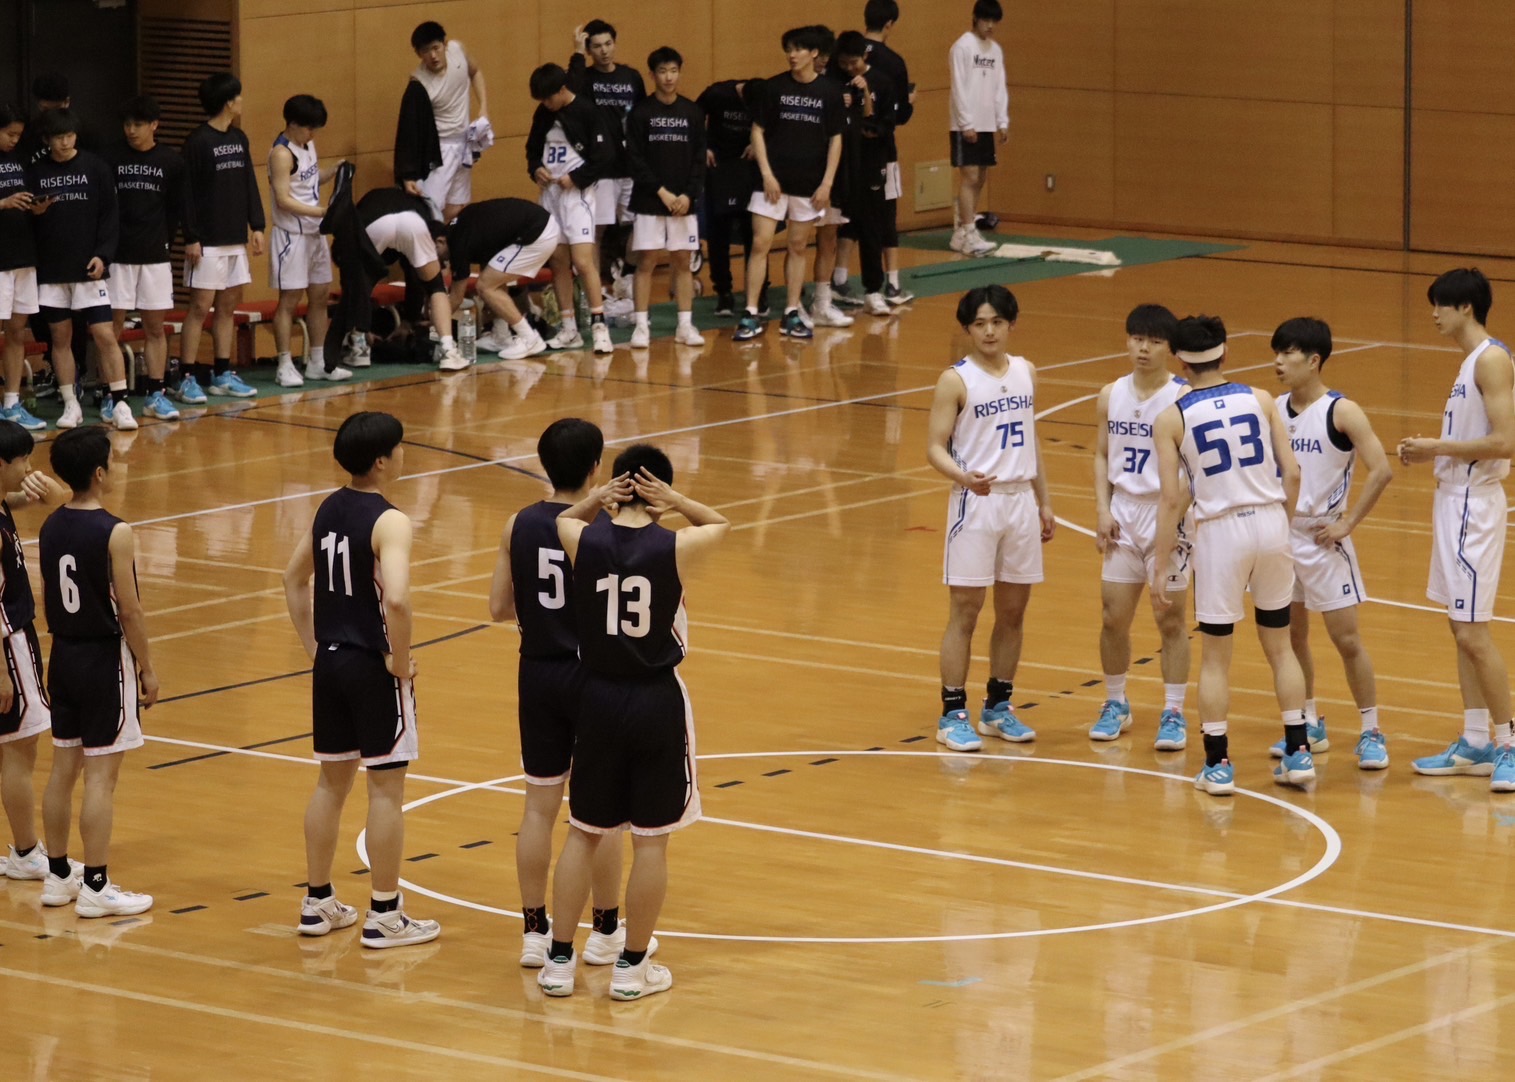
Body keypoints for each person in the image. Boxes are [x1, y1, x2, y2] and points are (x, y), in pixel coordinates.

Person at [538, 443, 728, 1002]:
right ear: (657, 491)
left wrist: (597, 497)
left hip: (596, 697)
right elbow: (720, 523)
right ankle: (631, 966)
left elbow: (565, 516)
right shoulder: (675, 545)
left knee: (583, 832)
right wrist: (676, 501)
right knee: (650, 842)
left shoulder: (581, 538)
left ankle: (558, 960)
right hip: (653, 700)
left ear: (617, 488)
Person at [282, 411, 441, 948]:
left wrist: (314, 648)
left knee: (330, 784)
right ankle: (386, 914)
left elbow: (292, 578)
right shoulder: (390, 520)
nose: (403, 454)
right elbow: (396, 598)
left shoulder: (328, 507)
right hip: (372, 664)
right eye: (399, 447)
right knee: (386, 789)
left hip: (331, 661)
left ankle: (317, 902)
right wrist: (400, 659)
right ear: (382, 461)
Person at [488, 419, 636, 969]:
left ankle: (534, 932)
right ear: (597, 468)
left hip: (537, 673)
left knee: (538, 807)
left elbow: (498, 607)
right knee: (602, 813)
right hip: (592, 677)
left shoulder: (517, 523)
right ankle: (605, 931)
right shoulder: (607, 526)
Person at [1151, 315, 1310, 795]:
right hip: (1271, 522)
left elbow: (1171, 499)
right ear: (1225, 353)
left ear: (1180, 362)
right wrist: (1280, 522)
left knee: (1216, 657)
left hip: (1221, 532)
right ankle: (1299, 752)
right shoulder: (1261, 399)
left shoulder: (1171, 417)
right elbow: (1293, 473)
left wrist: (1160, 566)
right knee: (1280, 646)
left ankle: (1218, 764)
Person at [1398, 269, 1515, 790]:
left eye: (1441, 305)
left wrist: (1436, 448)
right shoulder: (1470, 361)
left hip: (1473, 507)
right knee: (1459, 627)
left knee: (1473, 631)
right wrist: (1434, 453)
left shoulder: (1490, 359)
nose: (1434, 314)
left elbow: (1506, 441)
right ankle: (1475, 740)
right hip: (1452, 502)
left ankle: (1509, 742)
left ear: (1465, 307)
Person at [926, 285, 1055, 753]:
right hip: (976, 502)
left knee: (1013, 612)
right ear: (968, 329)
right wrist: (963, 477)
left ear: (1010, 324)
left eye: (996, 322)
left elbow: (1030, 440)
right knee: (966, 610)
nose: (989, 331)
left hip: (1020, 502)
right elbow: (934, 447)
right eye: (979, 323)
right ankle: (952, 713)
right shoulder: (955, 380)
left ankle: (998, 707)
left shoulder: (1026, 372)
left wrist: (1044, 500)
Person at [39, 425, 158, 916]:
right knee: (101, 779)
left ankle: (57, 876)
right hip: (104, 659)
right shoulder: (115, 531)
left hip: (63, 654)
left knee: (62, 769)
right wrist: (147, 667)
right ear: (99, 472)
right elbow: (129, 610)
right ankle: (96, 886)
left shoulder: (51, 524)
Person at [1271, 317, 1394, 770]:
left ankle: (1371, 730)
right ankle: (1308, 723)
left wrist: (1348, 523)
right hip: (1282, 537)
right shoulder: (1272, 408)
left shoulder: (1342, 411)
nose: (1278, 361)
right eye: (1276, 352)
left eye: (1287, 353)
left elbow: (1381, 469)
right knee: (1292, 637)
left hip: (1324, 540)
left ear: (1314, 360)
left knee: (1347, 640)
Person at [1091, 304, 1191, 748]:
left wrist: (1175, 516)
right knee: (1113, 617)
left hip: (1168, 515)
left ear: (1170, 348)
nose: (1143, 348)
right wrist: (1102, 508)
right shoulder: (1110, 393)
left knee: (1170, 619)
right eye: (1137, 339)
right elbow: (1100, 454)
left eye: (1154, 340)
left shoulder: (1184, 398)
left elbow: (1195, 470)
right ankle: (1116, 702)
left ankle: (1174, 711)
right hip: (1124, 514)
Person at [27, 108, 138, 431]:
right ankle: (70, 404)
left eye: (69, 136)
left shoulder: (96, 167)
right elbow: (25, 221)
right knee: (60, 337)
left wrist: (103, 255)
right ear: (46, 140)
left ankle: (120, 403)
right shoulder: (35, 172)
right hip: (51, 270)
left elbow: (110, 216)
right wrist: (35, 213)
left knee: (104, 334)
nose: (65, 142)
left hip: (89, 269)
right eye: (58, 137)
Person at [732, 26, 845, 343]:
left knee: (797, 246)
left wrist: (827, 183)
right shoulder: (773, 87)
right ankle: (751, 312)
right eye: (789, 49)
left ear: (814, 53)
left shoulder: (829, 93)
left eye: (798, 49)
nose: (792, 55)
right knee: (760, 243)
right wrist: (767, 174)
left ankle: (792, 311)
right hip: (771, 184)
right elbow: (757, 132)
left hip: (809, 185)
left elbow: (836, 140)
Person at [0, 421, 69, 881]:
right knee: (19, 749)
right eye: (22, 459)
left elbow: (55, 499)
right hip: (8, 644)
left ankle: (23, 849)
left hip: (12, 640)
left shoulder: (3, 501)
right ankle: (26, 851)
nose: (28, 467)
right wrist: (1, 671)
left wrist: (50, 488)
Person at [178, 72, 265, 404]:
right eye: (237, 96)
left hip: (234, 238)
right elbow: (187, 193)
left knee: (228, 306)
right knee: (200, 307)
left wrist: (257, 226)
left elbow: (248, 182)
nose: (241, 101)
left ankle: (222, 372)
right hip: (207, 241)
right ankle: (186, 376)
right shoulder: (198, 141)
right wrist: (192, 236)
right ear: (228, 102)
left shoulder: (239, 138)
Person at [526, 63, 615, 355]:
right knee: (558, 261)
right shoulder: (543, 113)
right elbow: (532, 149)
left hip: (577, 195)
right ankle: (568, 328)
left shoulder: (588, 112)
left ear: (562, 90)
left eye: (549, 98)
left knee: (583, 261)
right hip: (550, 194)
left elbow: (604, 156)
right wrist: (536, 169)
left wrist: (576, 178)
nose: (546, 104)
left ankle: (599, 326)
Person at [108, 95, 185, 423]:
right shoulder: (111, 158)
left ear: (155, 125)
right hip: (117, 257)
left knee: (155, 328)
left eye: (138, 124)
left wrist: (165, 241)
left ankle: (156, 393)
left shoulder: (171, 161)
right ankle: (112, 396)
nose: (131, 130)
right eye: (127, 124)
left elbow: (176, 209)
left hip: (154, 256)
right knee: (110, 329)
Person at [625, 47, 706, 350]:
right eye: (662, 71)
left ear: (679, 72)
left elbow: (699, 158)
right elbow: (635, 159)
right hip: (650, 200)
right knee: (646, 261)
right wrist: (661, 191)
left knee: (683, 261)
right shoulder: (641, 113)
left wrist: (687, 194)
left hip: (683, 203)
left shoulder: (692, 112)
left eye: (673, 71)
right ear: (652, 75)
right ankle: (641, 326)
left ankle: (684, 325)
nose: (669, 77)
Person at [268, 94, 347, 388]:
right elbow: (283, 199)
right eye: (309, 128)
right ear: (292, 124)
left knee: (320, 296)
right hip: (292, 236)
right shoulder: (281, 154)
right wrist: (322, 212)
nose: (313, 134)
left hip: (315, 233)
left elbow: (309, 180)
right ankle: (284, 364)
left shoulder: (307, 145)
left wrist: (334, 171)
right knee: (289, 301)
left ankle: (317, 361)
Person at [356, 186, 467, 371]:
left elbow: (357, 286)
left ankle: (358, 346)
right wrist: (410, 319)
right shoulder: (426, 212)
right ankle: (448, 351)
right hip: (413, 221)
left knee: (361, 284)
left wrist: (406, 321)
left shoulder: (371, 202)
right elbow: (416, 277)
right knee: (436, 287)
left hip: (373, 224)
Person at [568, 20, 646, 280]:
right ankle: (593, 290)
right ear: (590, 50)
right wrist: (577, 53)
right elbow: (569, 92)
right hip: (601, 170)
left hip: (631, 167)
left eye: (608, 44)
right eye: (597, 46)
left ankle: (628, 279)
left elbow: (642, 116)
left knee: (641, 226)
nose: (604, 51)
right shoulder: (585, 79)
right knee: (596, 230)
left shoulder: (631, 77)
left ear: (615, 43)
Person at [443, 197, 557, 360]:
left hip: (537, 232)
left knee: (485, 286)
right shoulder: (460, 229)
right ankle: (501, 336)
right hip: (538, 223)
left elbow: (456, 298)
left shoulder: (457, 243)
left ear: (440, 241)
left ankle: (530, 339)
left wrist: (435, 329)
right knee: (493, 278)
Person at [832, 31, 896, 317]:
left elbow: (883, 125)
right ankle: (830, 287)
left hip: (870, 162)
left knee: (871, 227)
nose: (849, 68)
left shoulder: (881, 81)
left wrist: (866, 95)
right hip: (839, 163)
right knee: (838, 226)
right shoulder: (833, 81)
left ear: (865, 56)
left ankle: (873, 290)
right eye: (843, 63)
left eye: (854, 63)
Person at [401, 22, 488, 224]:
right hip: (439, 150)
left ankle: (443, 240)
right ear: (418, 54)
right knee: (430, 209)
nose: (433, 56)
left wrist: (483, 107)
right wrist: (409, 173)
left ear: (445, 44)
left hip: (464, 143)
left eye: (436, 48)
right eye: (426, 51)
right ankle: (430, 242)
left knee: (458, 206)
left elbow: (475, 72)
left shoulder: (458, 50)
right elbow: (409, 130)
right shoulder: (419, 84)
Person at [696, 77, 765, 317]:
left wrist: (758, 144)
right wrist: (703, 146)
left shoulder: (765, 96)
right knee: (719, 233)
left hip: (749, 168)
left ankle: (758, 292)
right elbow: (693, 118)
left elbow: (775, 126)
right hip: (719, 167)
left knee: (754, 233)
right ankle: (724, 292)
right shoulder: (717, 93)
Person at [949, 0, 1008, 258]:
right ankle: (969, 230)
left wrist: (1002, 121)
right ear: (975, 18)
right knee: (970, 176)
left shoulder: (995, 50)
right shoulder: (962, 47)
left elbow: (999, 87)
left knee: (980, 177)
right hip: (966, 124)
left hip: (986, 123)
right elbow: (958, 87)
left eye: (994, 21)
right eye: (986, 20)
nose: (990, 26)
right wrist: (966, 123)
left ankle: (963, 231)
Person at [0, 104, 45, 431]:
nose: (14, 139)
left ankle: (12, 403)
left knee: (17, 331)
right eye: (9, 133)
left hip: (24, 256)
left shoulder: (22, 159)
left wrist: (37, 208)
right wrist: (2, 202)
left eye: (18, 134)